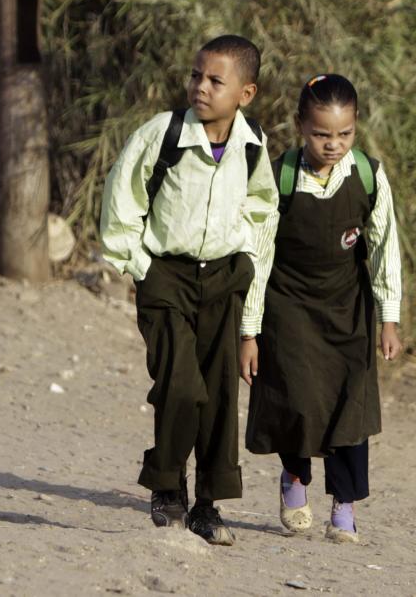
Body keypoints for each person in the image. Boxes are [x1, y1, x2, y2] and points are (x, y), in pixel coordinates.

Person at [99, 35, 279, 545]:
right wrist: (138, 264)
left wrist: (242, 252)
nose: (200, 87)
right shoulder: (165, 132)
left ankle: (206, 506)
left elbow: (264, 206)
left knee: (219, 395)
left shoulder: (252, 144)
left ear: (245, 93)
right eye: (196, 75)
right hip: (166, 277)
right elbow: (123, 195)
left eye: (215, 81)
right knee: (179, 386)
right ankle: (166, 486)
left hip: (225, 278)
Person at [243, 74, 403, 544]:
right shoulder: (279, 177)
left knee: (350, 408)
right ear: (300, 127)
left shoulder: (369, 176)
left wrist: (388, 318)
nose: (333, 144)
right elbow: (257, 255)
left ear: (356, 128)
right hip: (289, 307)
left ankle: (345, 507)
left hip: (347, 310)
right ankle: (294, 479)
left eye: (344, 134)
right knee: (295, 398)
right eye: (321, 134)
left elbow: (383, 248)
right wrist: (248, 332)